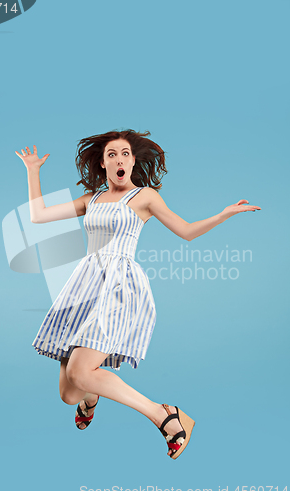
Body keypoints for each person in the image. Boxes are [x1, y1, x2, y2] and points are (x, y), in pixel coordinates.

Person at [15, 129, 261, 459]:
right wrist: (33, 170)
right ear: (102, 164)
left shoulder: (144, 197)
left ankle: (166, 416)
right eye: (112, 154)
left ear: (133, 161)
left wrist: (222, 214)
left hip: (119, 286)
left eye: (125, 154)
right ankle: (91, 396)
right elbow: (37, 216)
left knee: (80, 371)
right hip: (84, 285)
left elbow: (186, 231)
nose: (119, 159)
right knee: (69, 394)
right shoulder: (93, 198)